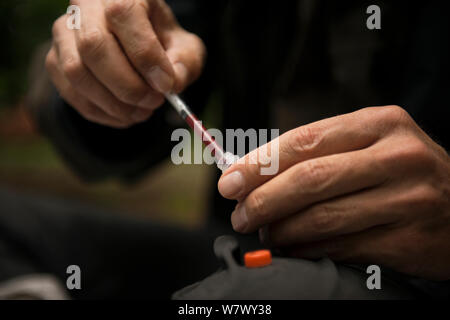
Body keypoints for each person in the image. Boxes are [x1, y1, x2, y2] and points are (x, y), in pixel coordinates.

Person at [6, 0, 448, 298]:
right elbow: (106, 129)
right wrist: (97, 74)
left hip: (411, 277)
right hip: (235, 249)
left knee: (251, 296)